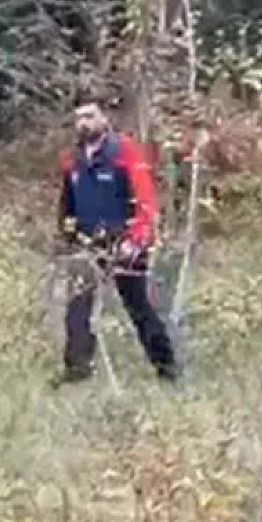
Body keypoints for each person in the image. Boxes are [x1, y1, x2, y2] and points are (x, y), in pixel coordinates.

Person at [54, 92, 180, 384]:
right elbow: (66, 204)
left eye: (89, 116)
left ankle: (167, 369)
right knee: (77, 307)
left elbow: (146, 200)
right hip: (87, 242)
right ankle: (77, 371)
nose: (83, 123)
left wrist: (135, 241)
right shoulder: (71, 159)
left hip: (125, 241)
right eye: (78, 118)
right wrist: (68, 236)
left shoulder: (125, 150)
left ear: (103, 119)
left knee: (138, 306)